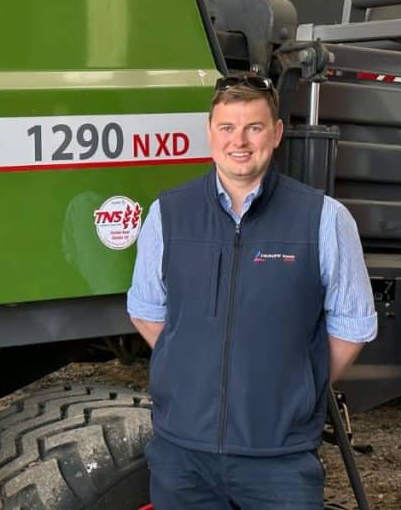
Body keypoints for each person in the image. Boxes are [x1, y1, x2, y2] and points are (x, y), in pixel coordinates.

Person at [127, 75, 377, 509]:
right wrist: (196, 370)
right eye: (227, 128)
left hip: (278, 460)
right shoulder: (167, 214)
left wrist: (295, 386)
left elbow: (352, 326)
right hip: (183, 457)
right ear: (210, 133)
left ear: (276, 133)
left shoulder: (324, 218)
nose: (239, 141)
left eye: (254, 127)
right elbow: (147, 311)